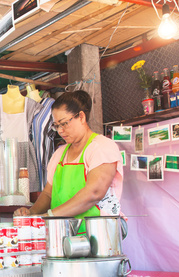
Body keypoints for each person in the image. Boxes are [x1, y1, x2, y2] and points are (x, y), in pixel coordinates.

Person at [14, 90, 123, 234]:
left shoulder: (101, 147)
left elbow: (94, 193)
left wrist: (51, 216)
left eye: (64, 123)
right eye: (56, 125)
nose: (60, 130)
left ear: (81, 117)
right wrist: (31, 214)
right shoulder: (59, 153)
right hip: (62, 235)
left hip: (97, 237)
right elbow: (48, 194)